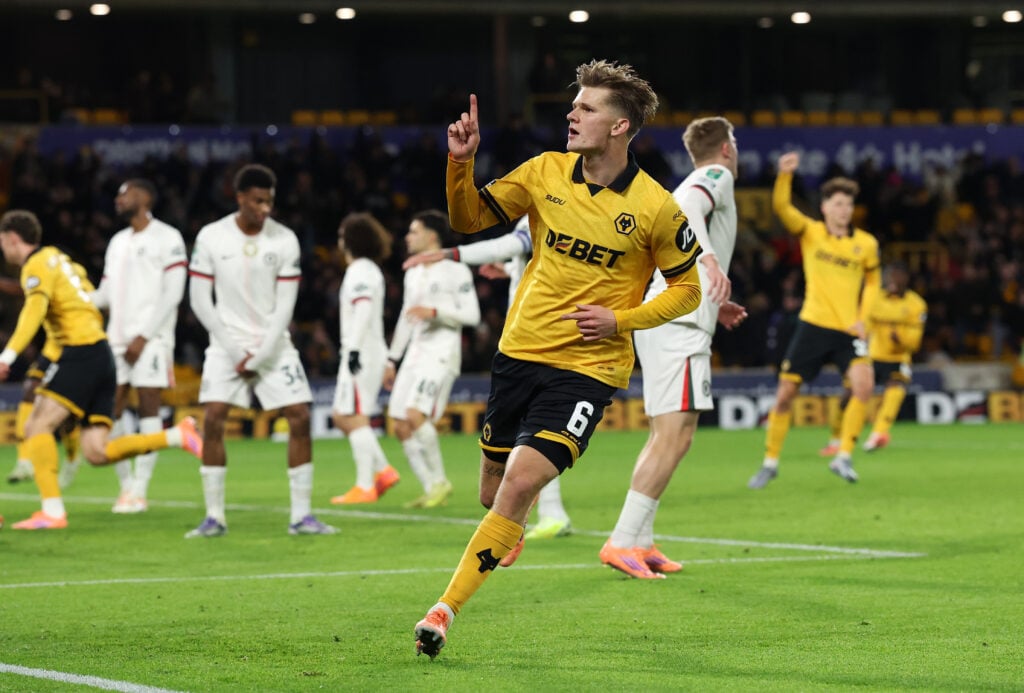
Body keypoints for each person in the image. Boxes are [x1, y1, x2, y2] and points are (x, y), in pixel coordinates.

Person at [413, 59, 703, 659]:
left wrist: (620, 320)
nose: (571, 113)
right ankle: (503, 530)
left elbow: (688, 289)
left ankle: (443, 611)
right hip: (519, 352)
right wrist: (461, 162)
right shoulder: (544, 172)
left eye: (587, 107)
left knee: (520, 481)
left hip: (588, 369)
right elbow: (468, 220)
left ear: (621, 127)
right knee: (493, 493)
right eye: (574, 104)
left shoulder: (657, 207)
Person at [602, 116, 748, 578]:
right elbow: (684, 205)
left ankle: (640, 540)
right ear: (725, 148)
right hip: (678, 324)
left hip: (678, 317)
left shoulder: (705, 176)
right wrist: (706, 261)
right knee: (674, 436)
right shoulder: (716, 176)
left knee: (670, 435)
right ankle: (622, 540)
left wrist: (714, 299)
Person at [0, 209, 202, 530]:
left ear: (12, 238)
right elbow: (82, 303)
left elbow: (33, 311)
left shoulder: (35, 265)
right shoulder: (64, 262)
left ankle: (52, 512)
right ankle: (178, 435)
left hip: (80, 352)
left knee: (36, 427)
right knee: (97, 451)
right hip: (102, 354)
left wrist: (7, 356)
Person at [186, 163, 337, 537]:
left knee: (300, 416)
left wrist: (262, 352)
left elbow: (286, 306)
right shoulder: (211, 236)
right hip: (225, 344)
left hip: (273, 344)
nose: (265, 208)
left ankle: (301, 516)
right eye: (257, 201)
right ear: (239, 198)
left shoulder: (284, 239)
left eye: (269, 201)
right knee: (214, 418)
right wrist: (235, 350)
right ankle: (214, 517)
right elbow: (200, 301)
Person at [404, 217, 573, 540]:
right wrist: (511, 271)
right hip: (532, 335)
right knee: (532, 427)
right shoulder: (558, 209)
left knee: (534, 427)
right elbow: (542, 266)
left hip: (537, 338)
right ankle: (551, 512)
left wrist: (451, 254)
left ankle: (551, 513)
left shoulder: (545, 206)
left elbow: (510, 245)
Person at [748, 152, 881, 489]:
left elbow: (874, 285)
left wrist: (865, 320)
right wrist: (784, 176)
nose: (844, 210)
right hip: (813, 325)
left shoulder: (866, 244)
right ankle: (770, 462)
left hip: (849, 328)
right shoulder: (812, 232)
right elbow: (782, 208)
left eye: (848, 205)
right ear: (824, 207)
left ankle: (844, 456)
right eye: (837, 204)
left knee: (864, 386)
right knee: (785, 395)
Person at [90, 178, 188, 513]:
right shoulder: (117, 242)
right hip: (116, 339)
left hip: (152, 338)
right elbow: (102, 294)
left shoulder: (168, 237)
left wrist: (145, 335)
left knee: (148, 405)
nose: (118, 199)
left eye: (125, 193)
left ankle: (140, 490)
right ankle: (126, 485)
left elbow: (174, 292)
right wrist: (69, 295)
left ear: (144, 197)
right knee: (109, 410)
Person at [384, 210, 480, 509]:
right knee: (399, 423)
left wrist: (436, 313)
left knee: (415, 415)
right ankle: (431, 487)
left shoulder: (455, 269)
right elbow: (406, 316)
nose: (408, 237)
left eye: (413, 231)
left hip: (441, 352)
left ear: (432, 236)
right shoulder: (413, 271)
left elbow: (472, 316)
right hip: (415, 352)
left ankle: (440, 481)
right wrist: (392, 359)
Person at [329, 212, 401, 504]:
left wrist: (354, 349)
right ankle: (382, 471)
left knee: (350, 416)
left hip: (361, 351)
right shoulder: (370, 269)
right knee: (344, 414)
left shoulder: (359, 269)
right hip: (369, 350)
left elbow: (362, 309)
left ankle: (365, 485)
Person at [819, 262, 927, 454]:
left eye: (897, 276)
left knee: (896, 389)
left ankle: (879, 433)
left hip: (897, 357)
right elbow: (863, 326)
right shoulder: (874, 298)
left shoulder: (916, 304)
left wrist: (900, 339)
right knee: (848, 396)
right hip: (870, 356)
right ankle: (836, 440)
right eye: (890, 276)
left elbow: (915, 342)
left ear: (905, 279)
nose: (893, 280)